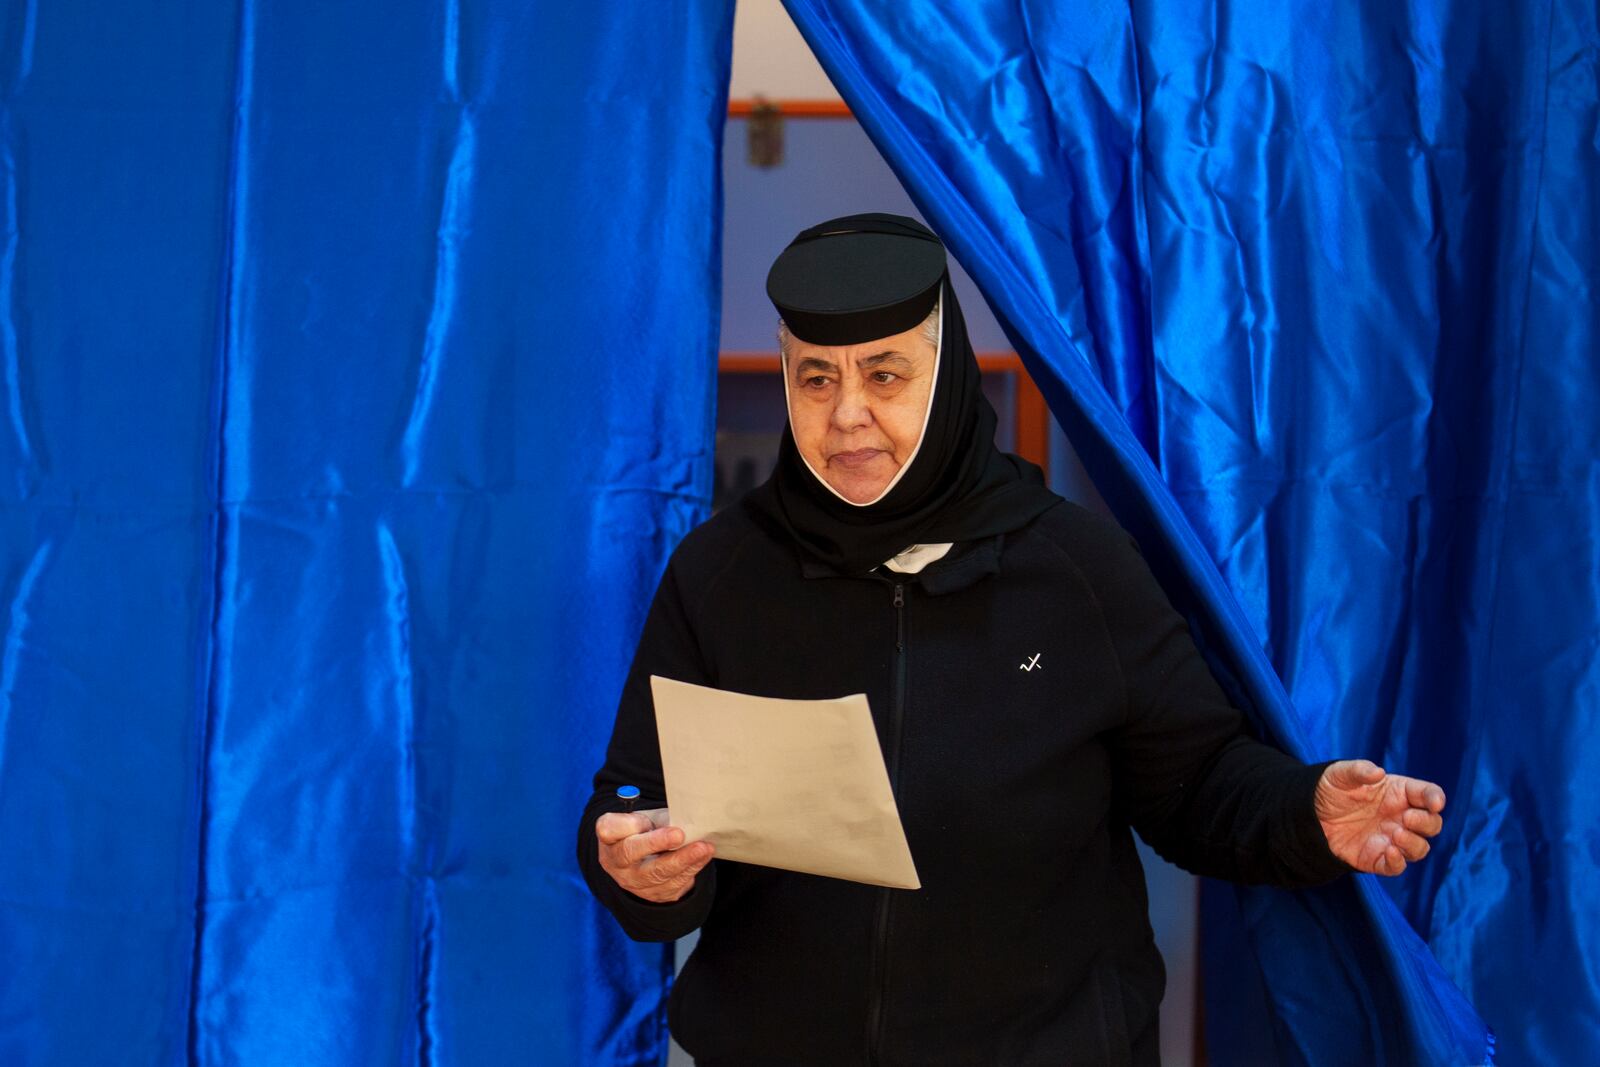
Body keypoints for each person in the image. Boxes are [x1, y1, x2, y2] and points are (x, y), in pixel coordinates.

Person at [577, 213, 1446, 1065]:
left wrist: (1305, 809)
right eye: (815, 379)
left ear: (946, 371)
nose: (845, 416)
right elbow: (634, 793)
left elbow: (1198, 782)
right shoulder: (723, 572)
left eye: (884, 376)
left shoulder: (1074, 566)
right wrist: (637, 862)